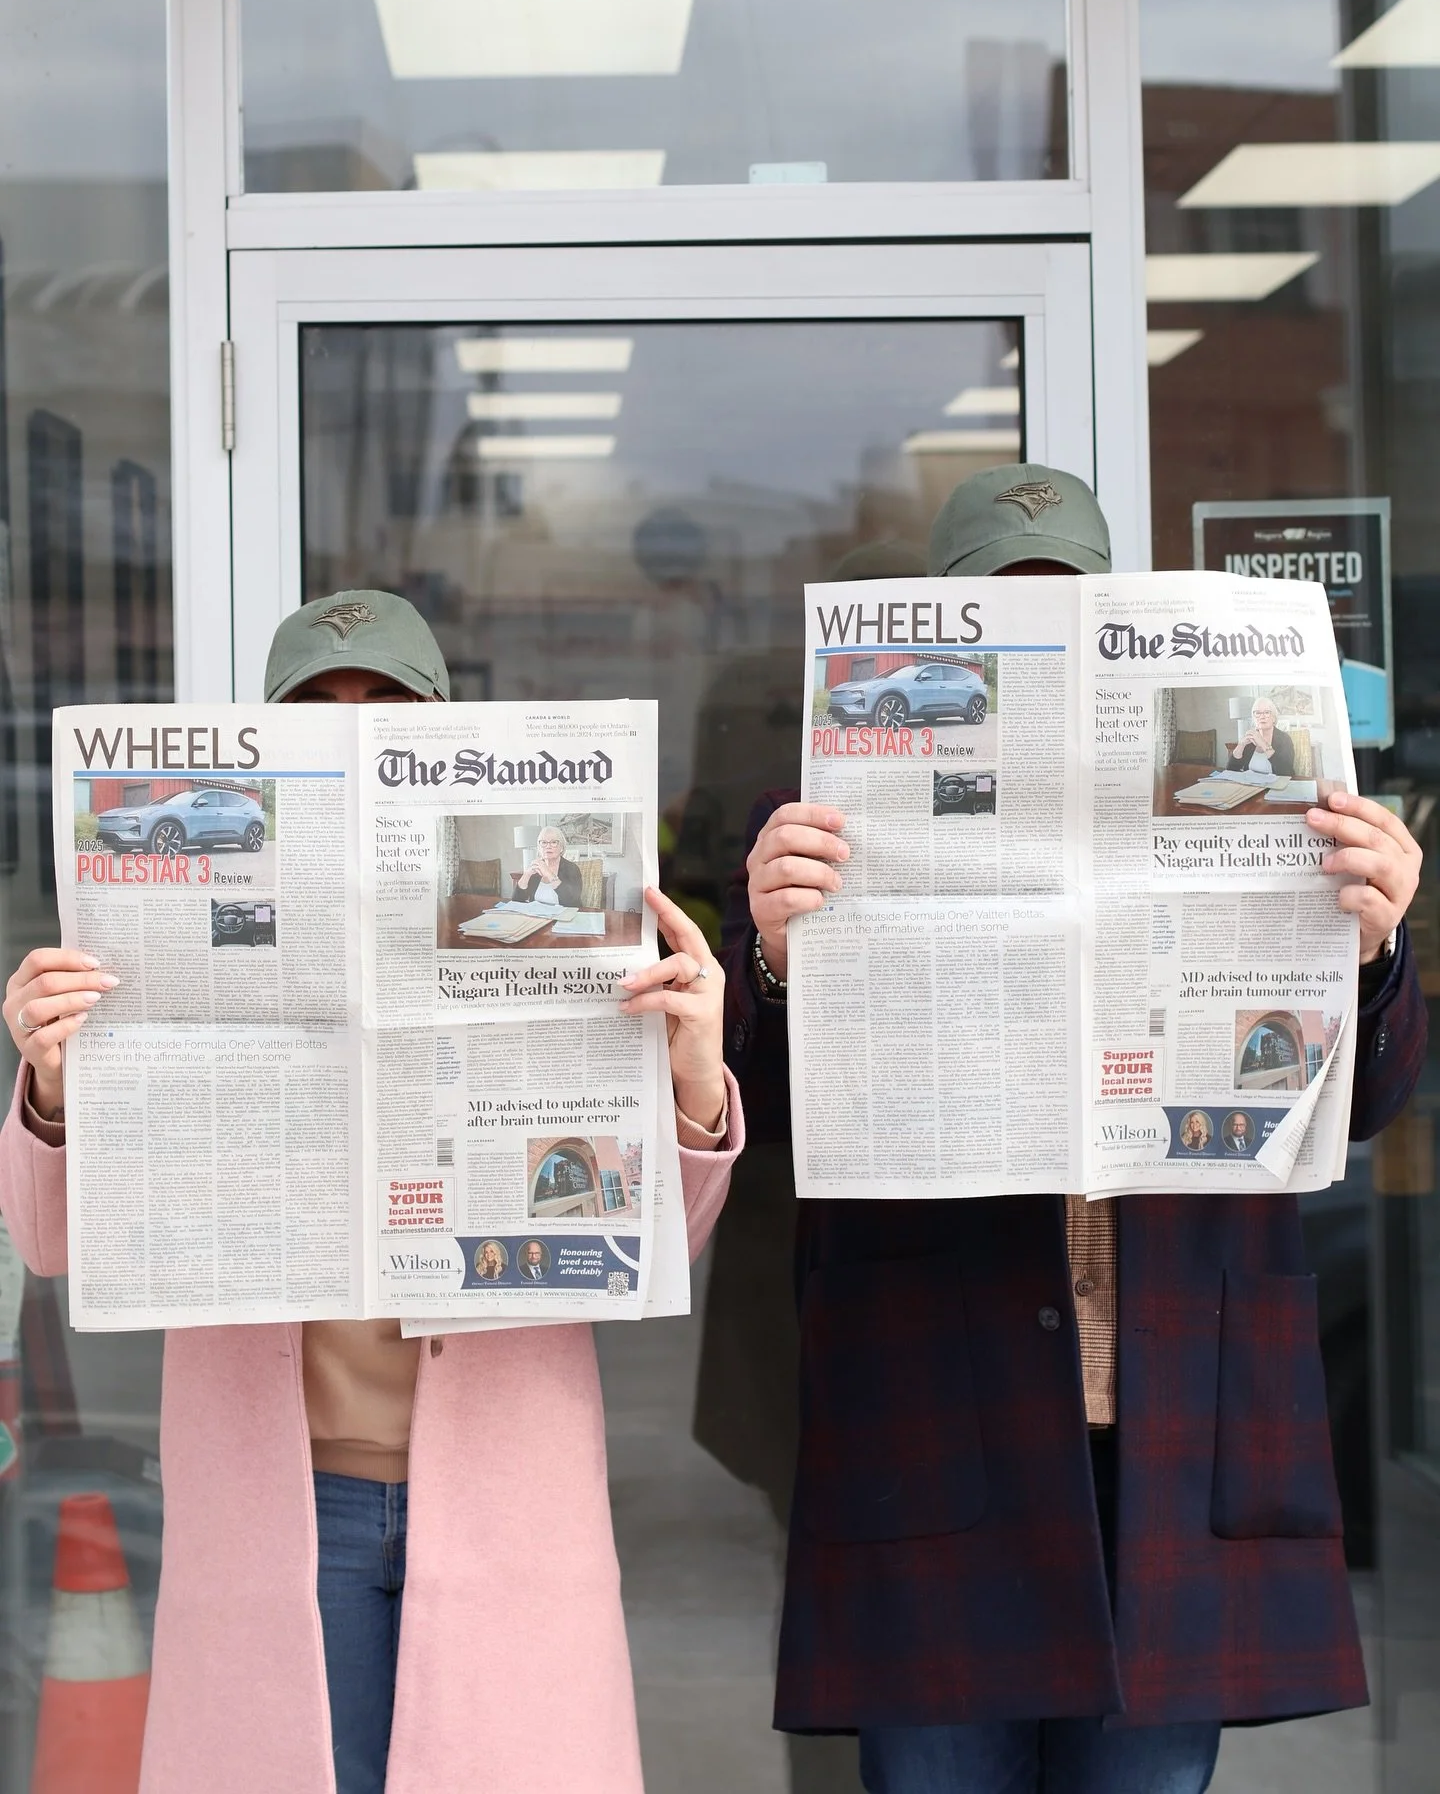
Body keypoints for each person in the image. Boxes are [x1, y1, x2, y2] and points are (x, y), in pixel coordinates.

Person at [720, 466, 1427, 1794]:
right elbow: (752, 1115)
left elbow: (1368, 1105)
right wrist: (768, 959)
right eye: (999, 618)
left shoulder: (1278, 804)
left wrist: (1376, 952)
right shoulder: (815, 828)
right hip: (945, 1410)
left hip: (1181, 1408)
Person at [1, 587, 744, 1794]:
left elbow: (667, 1245)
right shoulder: (161, 928)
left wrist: (694, 1070)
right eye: (320, 710)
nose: (354, 727)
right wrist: (48, 1082)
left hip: (506, 1501)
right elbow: (43, 1243)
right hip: (281, 1503)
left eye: (385, 711)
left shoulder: (544, 912)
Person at [1225, 695, 1295, 778]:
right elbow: (1230, 771)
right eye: (1257, 713)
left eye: (1267, 712)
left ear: (1274, 718)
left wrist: (1263, 743)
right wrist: (1241, 745)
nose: (1262, 716)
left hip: (1276, 787)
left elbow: (1286, 772)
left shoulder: (1284, 739)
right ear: (1254, 718)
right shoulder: (1250, 739)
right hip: (1252, 787)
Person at [514, 827, 583, 908]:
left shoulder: (572, 869)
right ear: (539, 848)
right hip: (537, 916)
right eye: (543, 842)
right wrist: (526, 875)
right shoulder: (536, 867)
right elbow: (516, 901)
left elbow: (572, 902)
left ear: (561, 848)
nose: (548, 846)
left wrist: (548, 873)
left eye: (554, 842)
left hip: (563, 917)